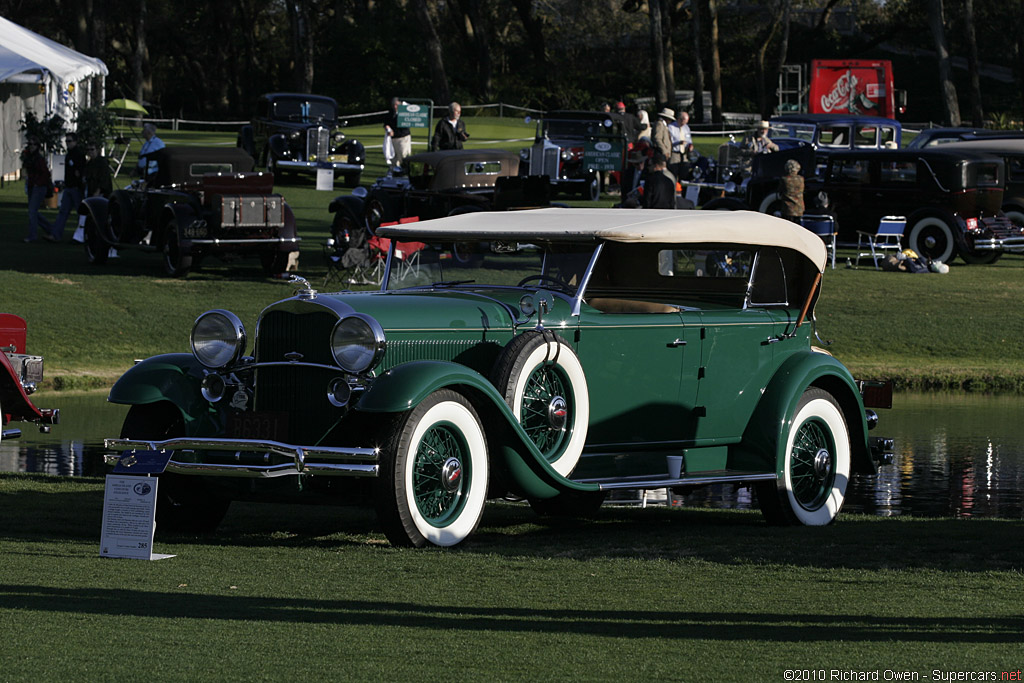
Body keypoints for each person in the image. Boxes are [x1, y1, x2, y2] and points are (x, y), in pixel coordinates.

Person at [52, 132, 86, 241]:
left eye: (70, 141)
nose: (67, 143)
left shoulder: (79, 155)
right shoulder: (69, 155)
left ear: (75, 142)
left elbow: (81, 171)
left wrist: (79, 176)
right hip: (69, 186)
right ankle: (56, 234)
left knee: (80, 213)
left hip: (76, 187)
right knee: (63, 211)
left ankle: (82, 234)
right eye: (66, 141)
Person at [21, 137, 55, 243]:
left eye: (33, 144)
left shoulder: (39, 159)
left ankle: (33, 235)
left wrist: (37, 183)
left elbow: (45, 173)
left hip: (39, 187)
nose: (31, 146)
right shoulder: (29, 157)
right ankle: (51, 229)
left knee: (32, 211)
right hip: (32, 186)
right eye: (30, 144)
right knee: (33, 212)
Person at [383, 97, 412, 169]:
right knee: (393, 159)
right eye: (393, 105)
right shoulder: (391, 113)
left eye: (396, 105)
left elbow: (404, 129)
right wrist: (387, 127)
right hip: (392, 140)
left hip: (403, 139)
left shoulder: (404, 114)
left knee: (403, 157)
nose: (395, 107)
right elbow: (386, 123)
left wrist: (394, 133)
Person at [778, 158, 805, 223]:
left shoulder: (784, 179)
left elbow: (780, 191)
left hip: (788, 209)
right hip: (799, 208)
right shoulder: (801, 179)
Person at [668, 110, 693, 180]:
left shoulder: (686, 128)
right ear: (679, 119)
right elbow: (668, 142)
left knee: (684, 172)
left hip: (684, 154)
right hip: (674, 153)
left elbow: (689, 139)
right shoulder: (670, 127)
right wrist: (678, 143)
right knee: (673, 173)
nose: (685, 123)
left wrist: (690, 145)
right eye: (684, 121)